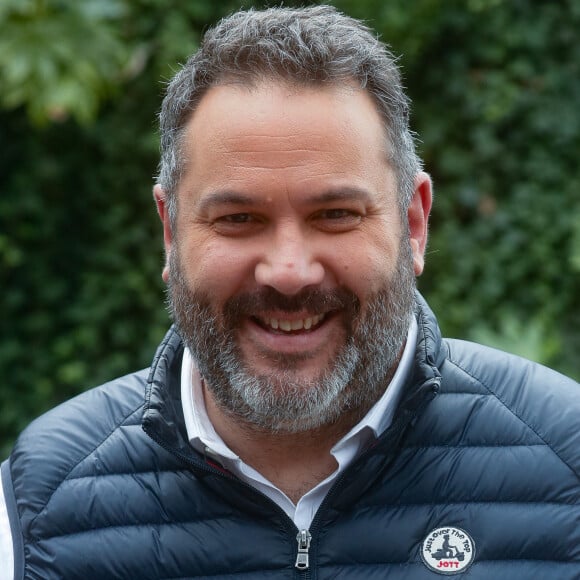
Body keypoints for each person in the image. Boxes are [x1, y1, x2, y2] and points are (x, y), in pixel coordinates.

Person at [1, 5, 579, 579]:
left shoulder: (567, 464)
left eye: (334, 214)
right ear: (171, 232)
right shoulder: (34, 511)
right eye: (237, 219)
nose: (289, 272)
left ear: (414, 224)